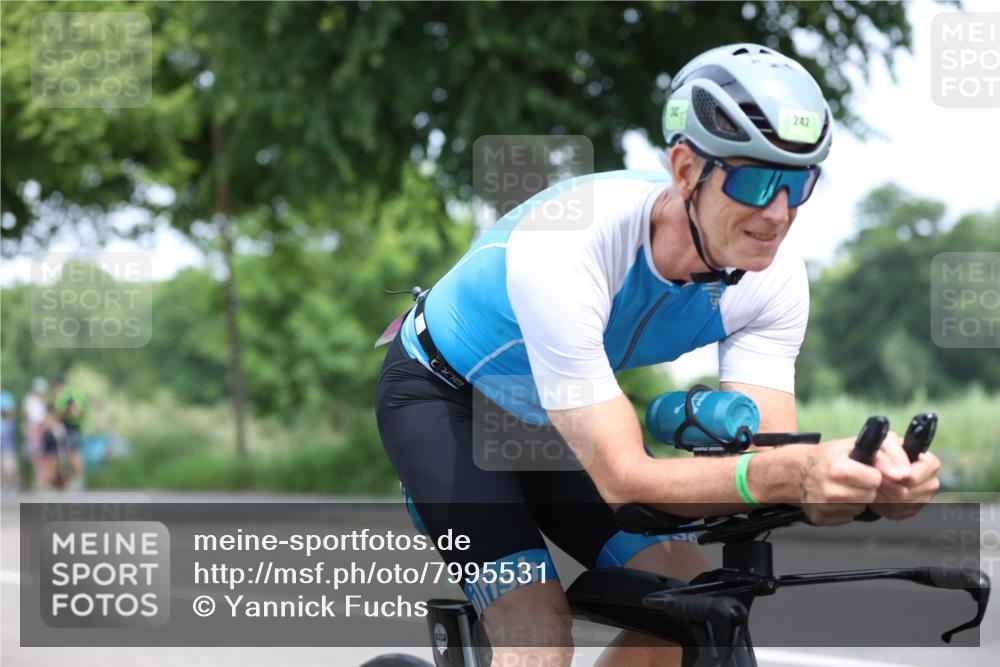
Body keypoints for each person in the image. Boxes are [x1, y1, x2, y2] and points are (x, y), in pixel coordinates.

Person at [375, 44, 942, 667]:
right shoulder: (570, 245)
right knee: (537, 632)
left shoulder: (773, 276)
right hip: (446, 402)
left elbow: (765, 459)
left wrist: (862, 484)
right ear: (683, 168)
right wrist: (792, 473)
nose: (778, 213)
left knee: (693, 609)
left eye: (798, 182)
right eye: (755, 178)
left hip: (554, 419)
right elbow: (623, 480)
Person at [50, 375, 87, 490]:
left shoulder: (64, 394)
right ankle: (72, 480)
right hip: (75, 426)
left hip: (70, 426)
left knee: (73, 452)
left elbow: (76, 409)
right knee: (69, 453)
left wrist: (63, 414)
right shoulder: (74, 391)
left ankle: (78, 480)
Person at [22, 377, 50, 491]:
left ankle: (42, 481)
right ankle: (40, 482)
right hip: (35, 431)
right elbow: (31, 418)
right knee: (38, 458)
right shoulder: (30, 400)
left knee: (41, 458)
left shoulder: (40, 401)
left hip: (40, 430)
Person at [1, 387, 19, 492]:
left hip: (7, 441)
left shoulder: (7, 397)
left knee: (10, 465)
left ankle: (13, 484)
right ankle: (3, 485)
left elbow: (9, 413)